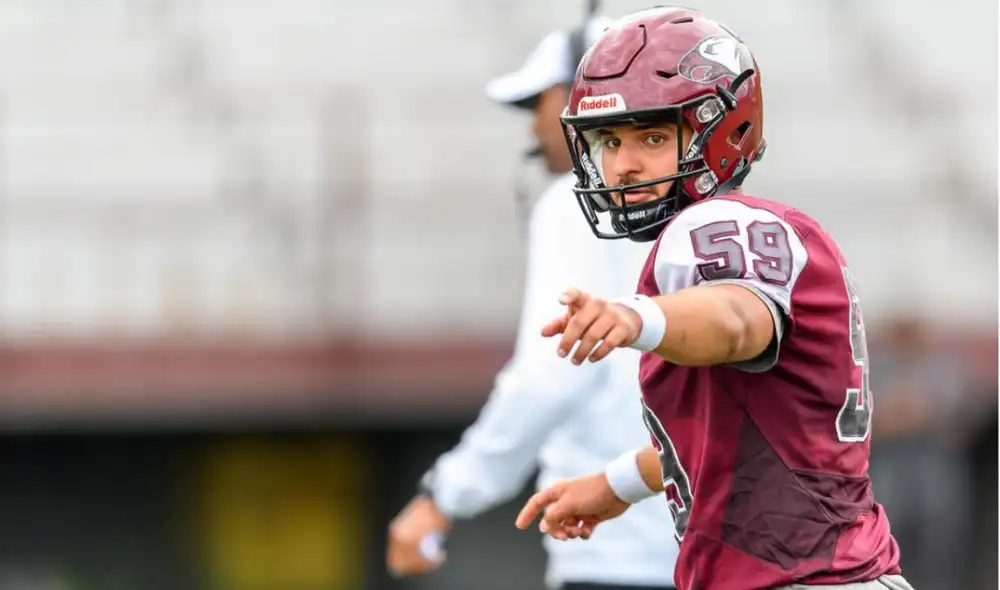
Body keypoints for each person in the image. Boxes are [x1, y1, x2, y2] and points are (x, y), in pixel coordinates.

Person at [513, 7, 914, 590]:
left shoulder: (713, 225)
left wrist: (635, 317)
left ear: (717, 131)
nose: (623, 167)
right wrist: (615, 485)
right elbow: (729, 442)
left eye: (651, 138)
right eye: (609, 141)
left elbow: (736, 318)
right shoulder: (751, 229)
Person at [387, 16, 679, 590]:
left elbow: (551, 376)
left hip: (616, 551)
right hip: (713, 551)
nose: (535, 128)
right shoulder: (708, 198)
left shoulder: (575, 204)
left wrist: (444, 494)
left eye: (540, 102)